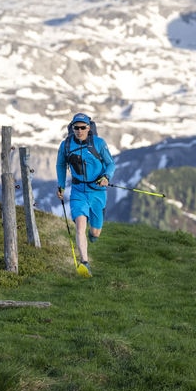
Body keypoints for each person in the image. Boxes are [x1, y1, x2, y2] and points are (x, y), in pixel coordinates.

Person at [56, 112, 115, 274]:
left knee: (95, 232)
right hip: (78, 191)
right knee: (80, 226)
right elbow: (61, 165)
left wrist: (106, 177)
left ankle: (93, 234)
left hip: (97, 191)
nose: (79, 130)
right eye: (76, 127)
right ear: (72, 128)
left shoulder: (98, 143)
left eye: (83, 127)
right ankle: (85, 262)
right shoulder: (66, 145)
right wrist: (61, 186)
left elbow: (111, 164)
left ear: (89, 128)